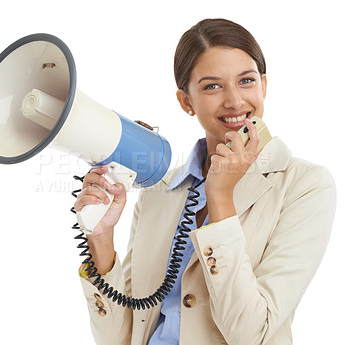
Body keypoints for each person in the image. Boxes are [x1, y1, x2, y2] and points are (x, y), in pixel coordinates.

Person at [74, 18, 336, 345]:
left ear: (264, 86)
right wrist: (100, 240)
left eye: (246, 81)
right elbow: (120, 337)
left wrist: (221, 197)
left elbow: (252, 334)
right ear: (186, 101)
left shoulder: (305, 186)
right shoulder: (159, 192)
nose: (235, 101)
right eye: (212, 86)